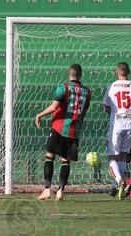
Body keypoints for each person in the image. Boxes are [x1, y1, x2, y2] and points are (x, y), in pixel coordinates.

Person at [35, 64, 91, 201]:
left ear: (69, 74)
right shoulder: (87, 92)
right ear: (80, 75)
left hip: (60, 127)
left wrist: (40, 115)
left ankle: (47, 189)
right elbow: (84, 112)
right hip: (75, 130)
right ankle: (60, 190)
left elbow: (54, 107)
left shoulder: (64, 87)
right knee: (65, 160)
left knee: (49, 156)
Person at [103, 62, 131, 200]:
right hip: (130, 125)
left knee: (111, 156)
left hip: (116, 125)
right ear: (129, 71)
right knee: (123, 156)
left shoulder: (111, 87)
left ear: (117, 72)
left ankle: (119, 181)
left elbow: (106, 107)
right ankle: (119, 182)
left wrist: (115, 113)